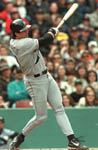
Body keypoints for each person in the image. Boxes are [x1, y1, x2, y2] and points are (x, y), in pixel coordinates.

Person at [9, 19, 88, 150]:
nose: (27, 31)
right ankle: (20, 137)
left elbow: (44, 39)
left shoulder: (25, 40)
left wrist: (51, 33)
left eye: (26, 29)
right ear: (16, 34)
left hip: (46, 76)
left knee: (59, 108)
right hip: (34, 81)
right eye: (23, 31)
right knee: (41, 117)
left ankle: (72, 140)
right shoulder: (19, 44)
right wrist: (52, 32)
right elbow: (45, 40)